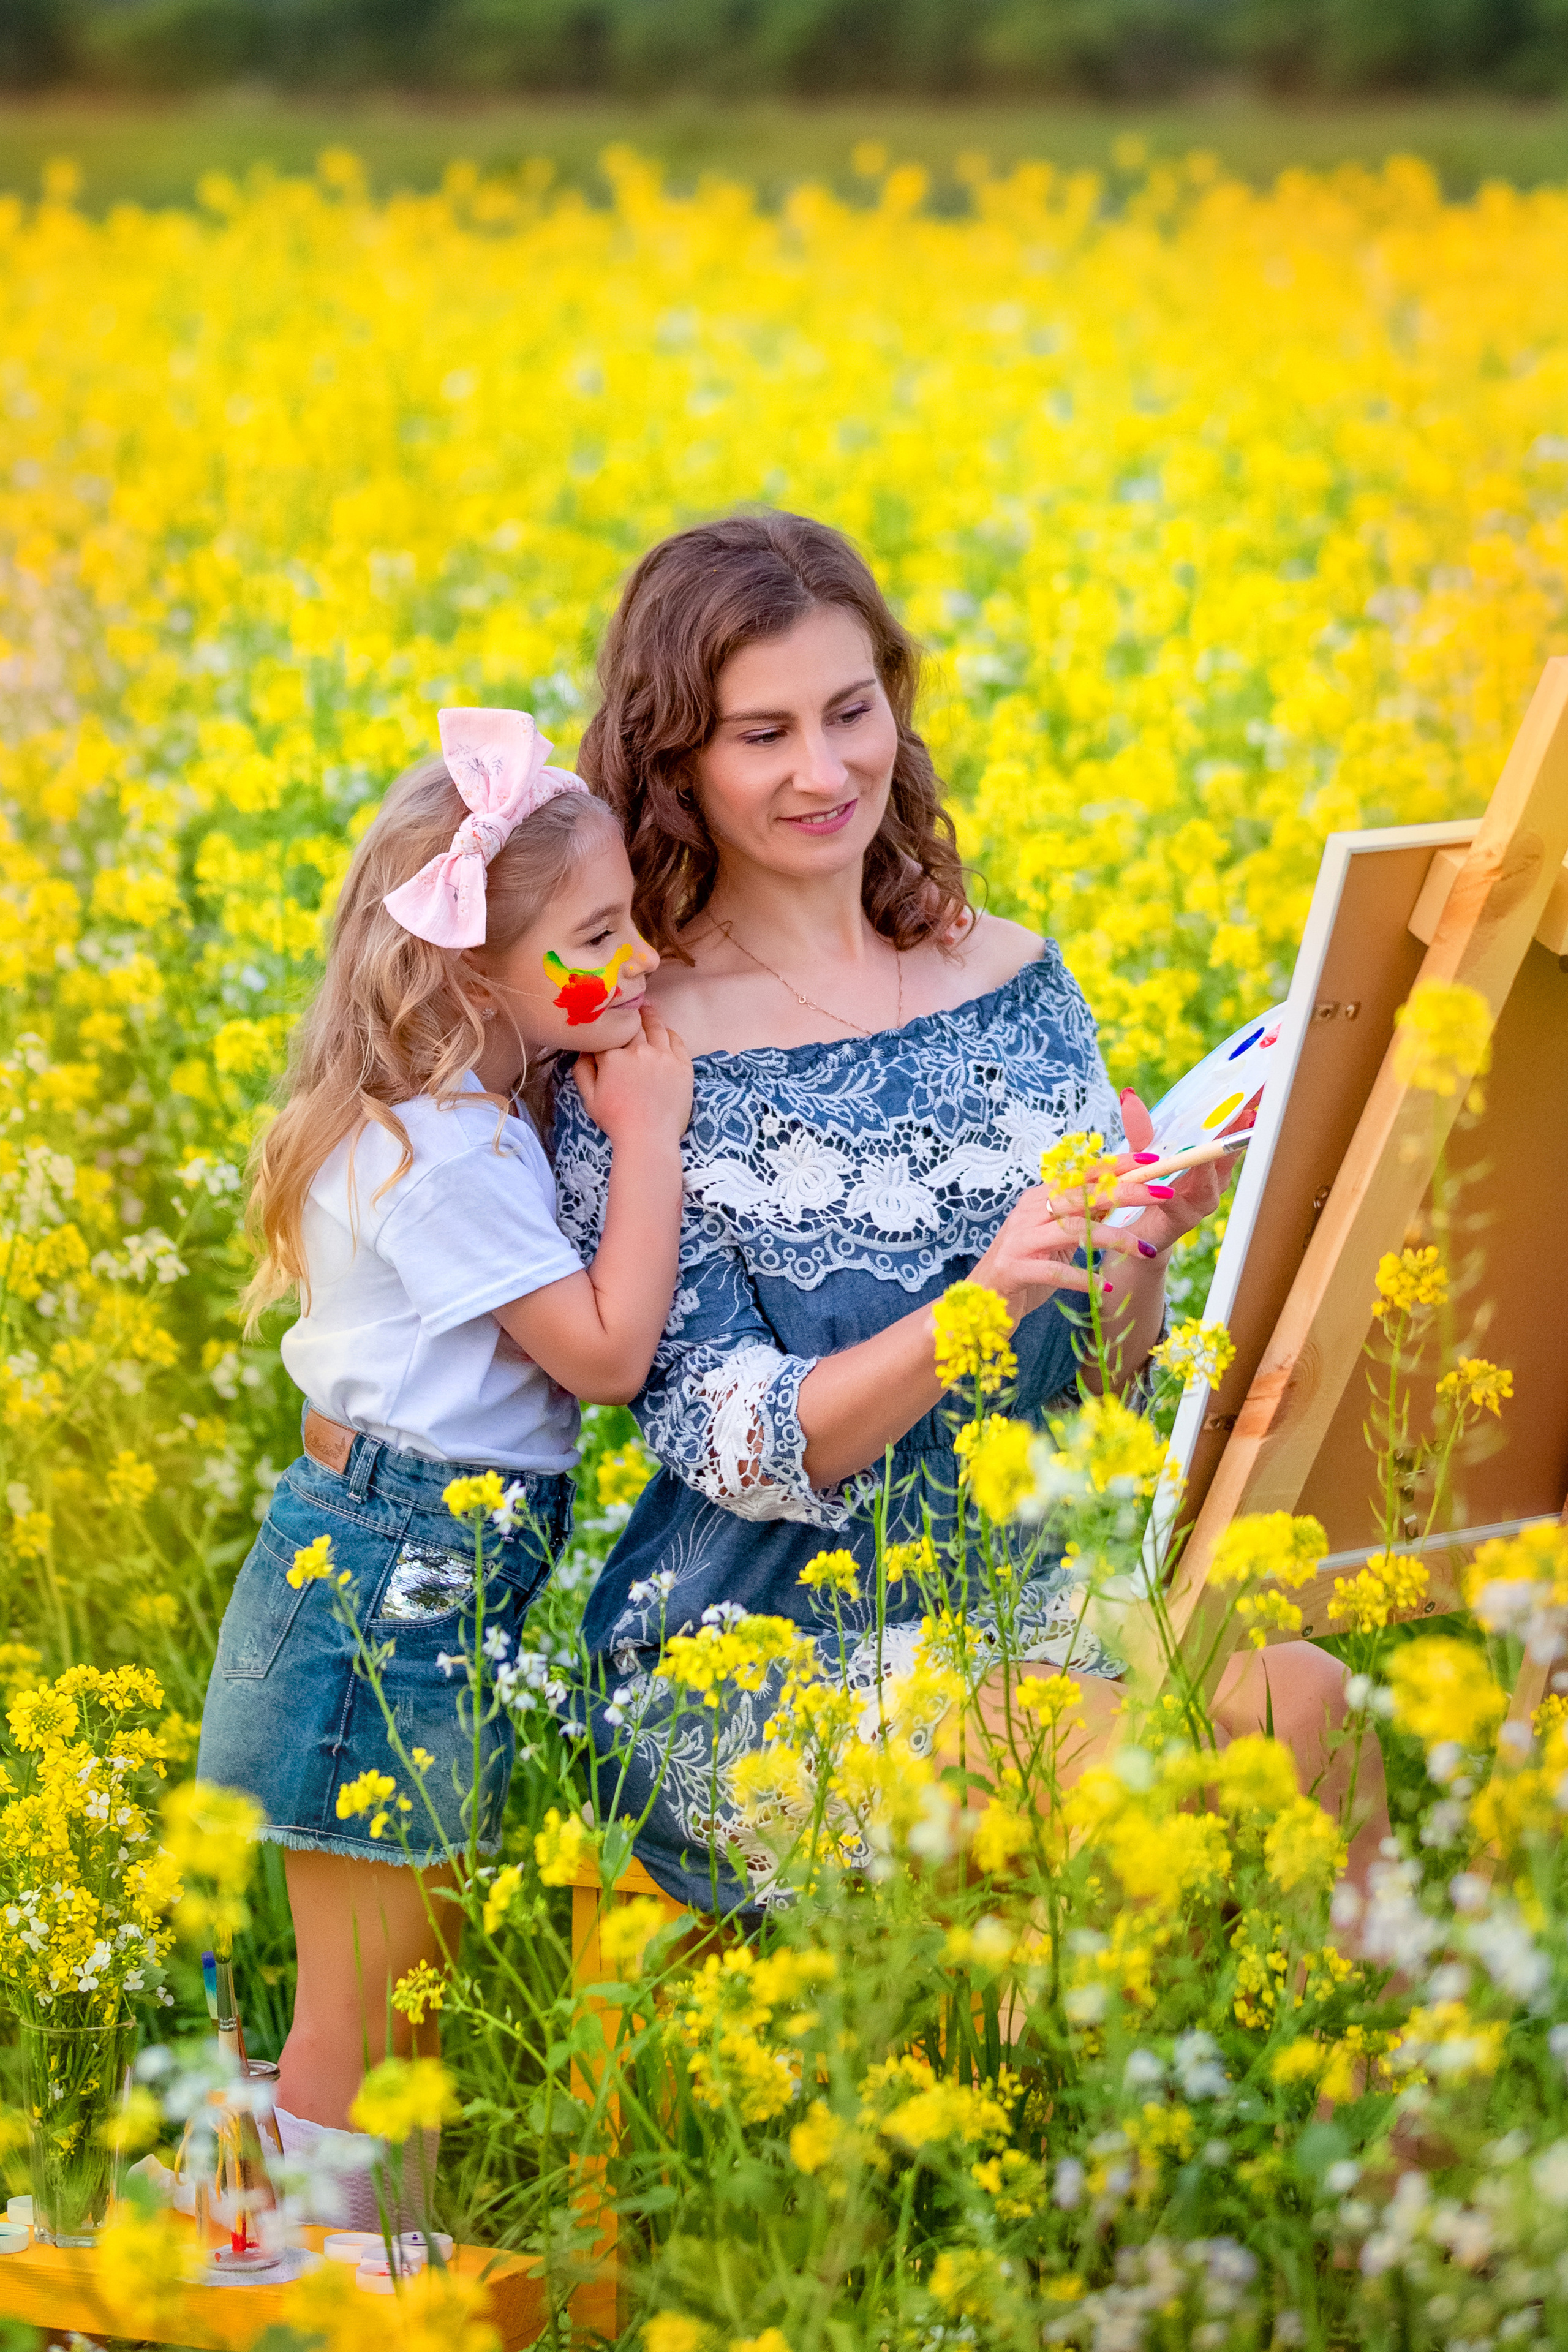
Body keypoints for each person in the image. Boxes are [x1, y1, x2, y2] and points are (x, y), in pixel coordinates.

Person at [554, 510, 1385, 1916]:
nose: (826, 771)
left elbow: (1100, 1398)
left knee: (1318, 1705)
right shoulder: (639, 1039)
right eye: (762, 735)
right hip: (764, 1654)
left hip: (1032, 1609)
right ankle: (1082, 2134)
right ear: (676, 761)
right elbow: (718, 1435)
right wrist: (976, 1306)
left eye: (850, 710)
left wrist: (1139, 1249)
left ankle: (1367, 2138)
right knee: (1116, 1773)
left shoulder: (1011, 976)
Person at [197, 706, 693, 2195]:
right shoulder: (445, 1154)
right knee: (361, 2038)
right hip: (388, 1587)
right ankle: (285, 2276)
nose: (641, 961)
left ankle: (300, 2255)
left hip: (398, 1560)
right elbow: (604, 1359)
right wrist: (653, 1130)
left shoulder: (459, 1111)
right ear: (472, 966)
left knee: (388, 2016)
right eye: (597, 934)